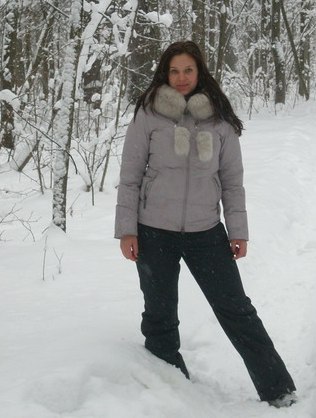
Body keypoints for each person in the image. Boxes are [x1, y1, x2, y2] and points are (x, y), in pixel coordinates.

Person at [115, 41, 297, 407]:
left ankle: (277, 388)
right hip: (154, 231)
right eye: (174, 71)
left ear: (200, 72)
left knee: (237, 310)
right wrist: (127, 230)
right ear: (165, 74)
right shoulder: (149, 114)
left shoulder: (219, 119)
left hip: (206, 232)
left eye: (188, 70)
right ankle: (171, 385)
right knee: (160, 314)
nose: (181, 78)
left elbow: (232, 181)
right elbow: (130, 177)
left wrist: (238, 231)